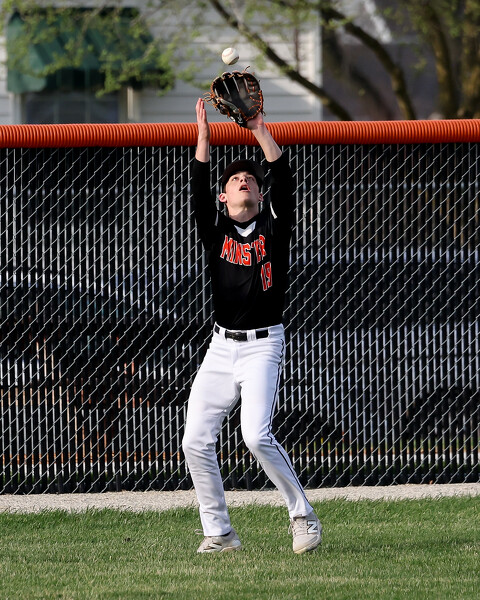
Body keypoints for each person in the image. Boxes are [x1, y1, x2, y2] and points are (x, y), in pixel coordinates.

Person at [182, 98, 322, 554]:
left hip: (263, 346)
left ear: (260, 196)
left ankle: (303, 516)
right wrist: (204, 139)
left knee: (256, 435)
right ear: (224, 198)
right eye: (234, 180)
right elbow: (197, 190)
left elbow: (284, 175)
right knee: (194, 440)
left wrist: (259, 127)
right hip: (221, 347)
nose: (243, 180)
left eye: (251, 180)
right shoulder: (216, 231)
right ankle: (220, 533)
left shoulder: (274, 228)